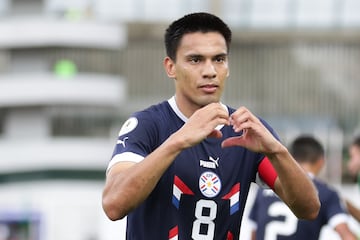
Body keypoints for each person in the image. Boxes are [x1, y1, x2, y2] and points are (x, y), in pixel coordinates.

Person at [101, 12, 320, 240]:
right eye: (195, 60)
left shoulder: (245, 131)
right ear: (171, 67)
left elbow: (309, 209)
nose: (210, 71)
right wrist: (179, 140)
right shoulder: (147, 125)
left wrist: (277, 151)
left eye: (219, 59)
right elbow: (114, 205)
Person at [248, 135, 357, 240]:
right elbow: (346, 235)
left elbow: (253, 233)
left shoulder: (265, 189)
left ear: (290, 158)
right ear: (321, 161)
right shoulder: (326, 193)